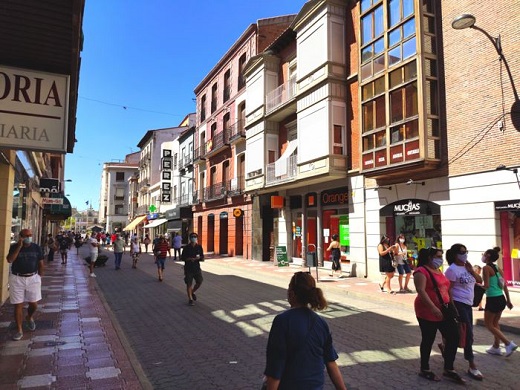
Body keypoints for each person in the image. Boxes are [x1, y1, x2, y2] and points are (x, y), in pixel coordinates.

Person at [263, 271, 347, 390]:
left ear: (291, 293)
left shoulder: (282, 321)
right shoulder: (321, 323)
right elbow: (331, 363)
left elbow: (276, 368)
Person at [413, 247, 464, 384]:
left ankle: (449, 367)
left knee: (454, 336)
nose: (440, 259)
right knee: (428, 339)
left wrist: (452, 306)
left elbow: (447, 289)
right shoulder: (421, 271)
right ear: (429, 257)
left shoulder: (438, 271)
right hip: (427, 311)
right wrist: (433, 308)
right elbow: (421, 291)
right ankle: (425, 368)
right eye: (438, 256)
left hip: (445, 309)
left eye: (441, 256)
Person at [444, 243, 483, 380]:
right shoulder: (452, 270)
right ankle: (472, 364)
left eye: (466, 251)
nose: (465, 254)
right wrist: (452, 307)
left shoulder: (467, 267)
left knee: (461, 334)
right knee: (468, 335)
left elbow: (480, 280)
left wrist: (471, 270)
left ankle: (445, 345)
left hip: (468, 304)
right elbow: (448, 290)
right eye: (462, 252)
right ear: (455, 254)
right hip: (459, 304)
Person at [6, 229, 44, 341]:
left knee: (34, 304)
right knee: (18, 305)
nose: (29, 237)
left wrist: (39, 277)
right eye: (26, 236)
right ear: (21, 236)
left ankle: (29, 317)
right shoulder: (14, 247)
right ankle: (19, 330)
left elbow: (41, 263)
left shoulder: (36, 247)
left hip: (33, 278)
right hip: (17, 278)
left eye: (30, 235)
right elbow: (10, 259)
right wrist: (19, 246)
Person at [481, 247, 517, 357]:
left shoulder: (486, 268)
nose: (482, 255)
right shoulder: (498, 268)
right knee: (495, 323)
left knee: (489, 324)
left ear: (487, 256)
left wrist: (477, 286)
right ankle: (496, 347)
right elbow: (504, 285)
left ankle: (508, 343)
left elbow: (486, 286)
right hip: (501, 298)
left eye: (484, 253)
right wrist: (508, 301)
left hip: (492, 299)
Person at [181, 232, 204, 305]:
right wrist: (190, 259)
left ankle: (193, 291)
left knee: (199, 281)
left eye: (195, 237)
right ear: (190, 238)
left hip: (197, 268)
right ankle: (190, 299)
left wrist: (199, 258)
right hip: (188, 268)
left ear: (197, 238)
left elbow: (202, 257)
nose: (194, 238)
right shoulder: (186, 248)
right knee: (189, 284)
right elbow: (182, 258)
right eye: (192, 237)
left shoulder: (199, 247)